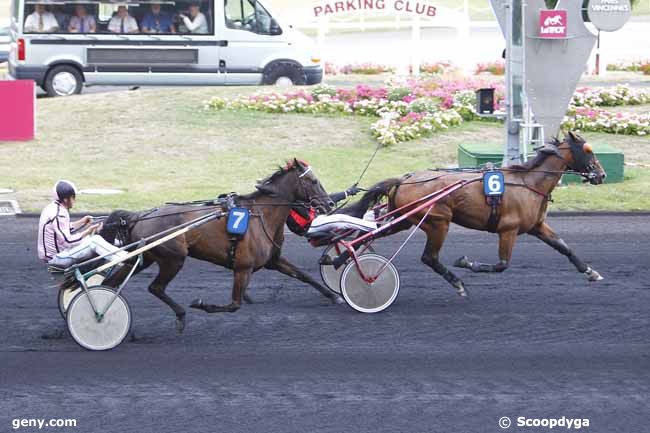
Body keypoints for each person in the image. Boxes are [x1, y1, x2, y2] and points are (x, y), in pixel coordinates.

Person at [38, 180, 127, 269]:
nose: (74, 200)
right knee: (94, 241)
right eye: (73, 197)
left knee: (92, 239)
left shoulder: (53, 207)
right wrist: (88, 231)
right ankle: (124, 258)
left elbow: (63, 228)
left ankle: (119, 246)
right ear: (65, 199)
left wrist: (82, 222)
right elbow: (68, 241)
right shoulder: (59, 214)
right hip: (58, 258)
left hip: (56, 255)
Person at [286, 185, 376, 238]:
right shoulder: (288, 201)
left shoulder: (296, 197)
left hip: (315, 221)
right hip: (310, 226)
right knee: (340, 219)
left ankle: (367, 219)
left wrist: (347, 192)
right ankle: (374, 227)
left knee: (342, 214)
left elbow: (325, 200)